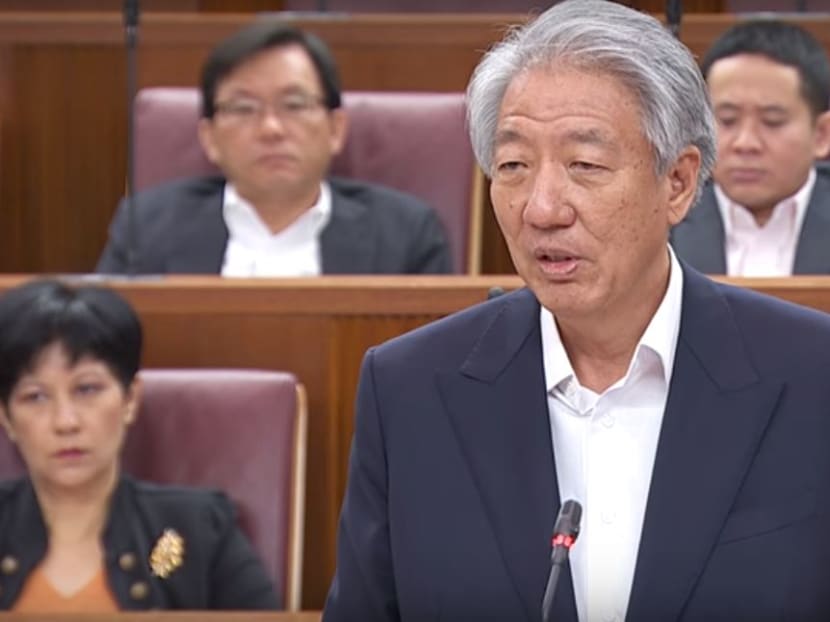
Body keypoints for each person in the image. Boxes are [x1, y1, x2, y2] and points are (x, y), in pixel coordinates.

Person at [323, 1, 830, 621]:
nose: (542, 208)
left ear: (677, 182)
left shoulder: (812, 375)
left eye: (584, 165)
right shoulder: (409, 389)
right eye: (513, 166)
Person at [0, 279, 278, 612]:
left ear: (130, 399)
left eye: (87, 390)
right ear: (6, 417)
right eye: (36, 397)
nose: (66, 422)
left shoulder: (197, 530)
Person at [96, 21, 452, 276]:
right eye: (243, 108)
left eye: (294, 105)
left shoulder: (406, 233)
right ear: (209, 137)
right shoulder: (146, 227)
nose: (271, 128)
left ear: (335, 128)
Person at [671, 20, 830, 275]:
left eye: (772, 122)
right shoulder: (660, 222)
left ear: (822, 134)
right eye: (727, 120)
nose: (745, 143)